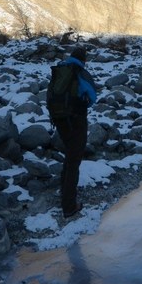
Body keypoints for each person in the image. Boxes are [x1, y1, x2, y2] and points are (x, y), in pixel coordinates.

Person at [53, 46, 97, 218]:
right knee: (74, 161)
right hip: (76, 120)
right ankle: (69, 206)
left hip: (59, 119)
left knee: (69, 155)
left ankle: (63, 193)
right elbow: (92, 97)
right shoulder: (80, 73)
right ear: (84, 59)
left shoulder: (60, 69)